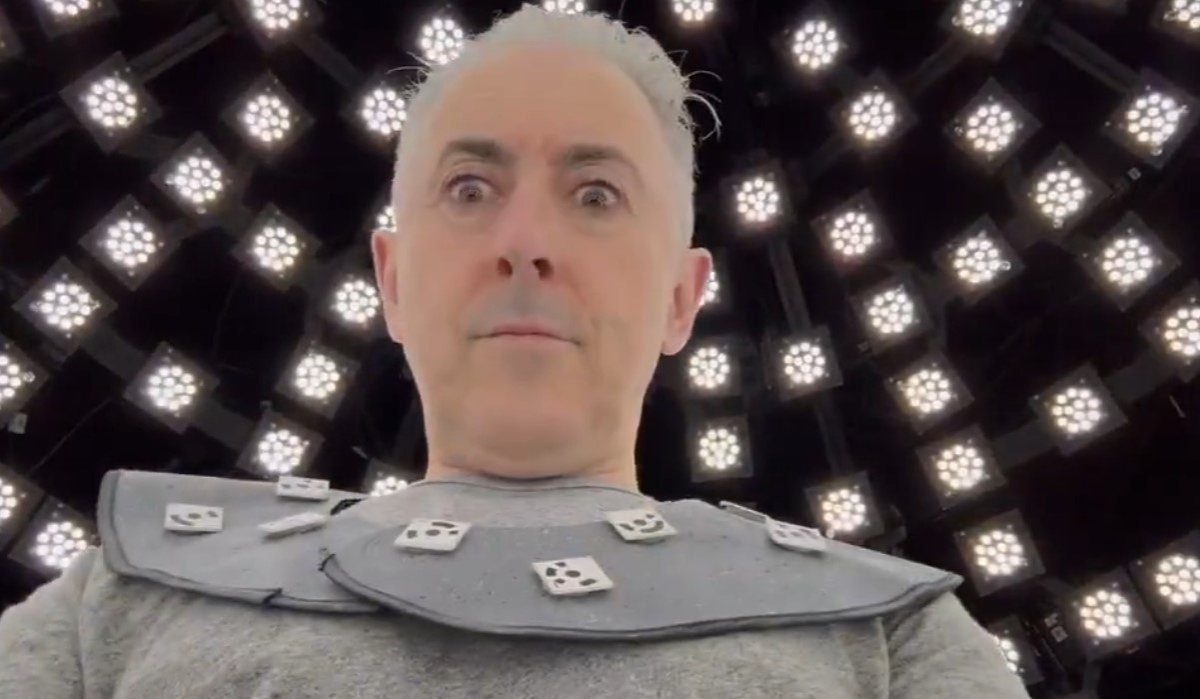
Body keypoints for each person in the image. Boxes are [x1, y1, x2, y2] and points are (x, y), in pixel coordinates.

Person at [0, 5, 1030, 698]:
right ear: (392, 280)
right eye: (470, 188)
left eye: (596, 195)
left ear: (681, 298)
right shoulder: (124, 596)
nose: (526, 240)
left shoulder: (885, 631)